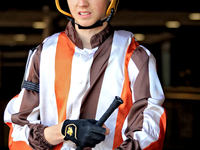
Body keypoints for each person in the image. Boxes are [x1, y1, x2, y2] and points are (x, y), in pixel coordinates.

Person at [4, 0, 167, 149]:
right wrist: (66, 130)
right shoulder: (43, 53)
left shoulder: (136, 57)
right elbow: (18, 135)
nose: (82, 3)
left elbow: (150, 134)